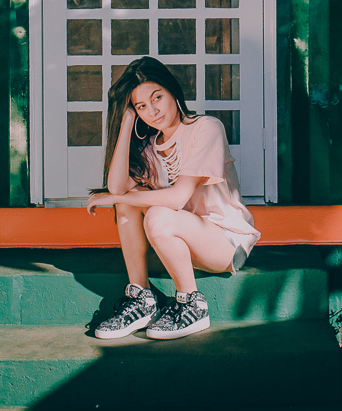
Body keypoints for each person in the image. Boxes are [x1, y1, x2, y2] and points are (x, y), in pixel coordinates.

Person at [86, 56, 260, 340]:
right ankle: (141, 297)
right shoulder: (149, 149)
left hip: (225, 242)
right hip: (184, 241)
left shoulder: (206, 128)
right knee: (127, 200)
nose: (153, 111)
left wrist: (111, 198)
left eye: (157, 97)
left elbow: (178, 198)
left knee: (155, 213)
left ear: (173, 91)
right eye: (141, 106)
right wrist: (126, 121)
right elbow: (117, 188)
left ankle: (192, 304)